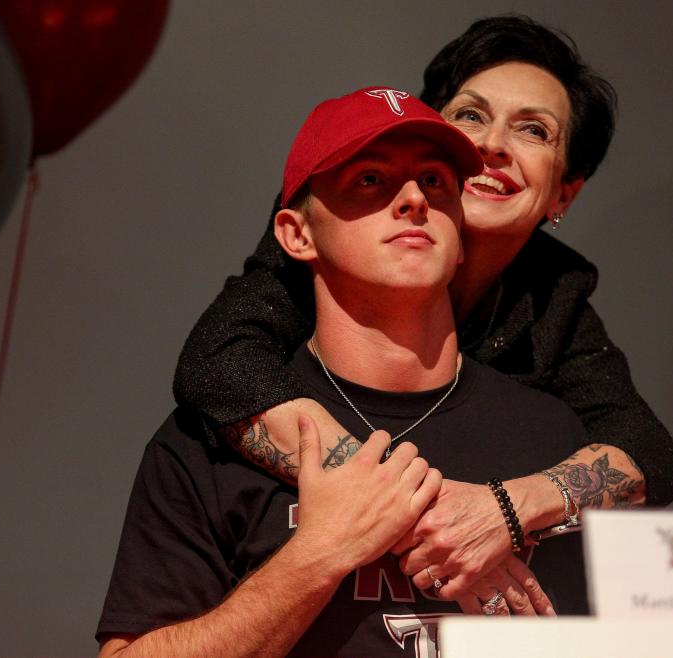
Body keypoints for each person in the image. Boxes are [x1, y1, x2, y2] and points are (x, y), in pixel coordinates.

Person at [172, 14, 673, 602]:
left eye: (534, 131)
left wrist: (504, 512)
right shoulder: (340, 225)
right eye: (470, 116)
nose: (492, 145)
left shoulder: (550, 291)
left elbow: (647, 449)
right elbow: (217, 364)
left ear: (565, 191)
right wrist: (427, 517)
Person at [97, 88, 588, 658]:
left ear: (459, 236)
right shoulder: (214, 435)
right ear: (296, 234)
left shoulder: (550, 436)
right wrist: (321, 552)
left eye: (434, 182)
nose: (412, 200)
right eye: (370, 180)